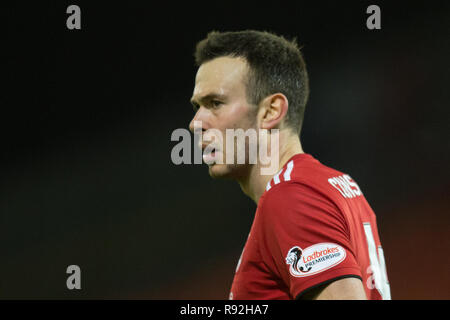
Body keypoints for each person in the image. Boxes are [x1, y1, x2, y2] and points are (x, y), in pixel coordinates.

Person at [188, 30, 390, 300]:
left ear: (271, 111)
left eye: (215, 103)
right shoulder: (332, 184)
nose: (196, 123)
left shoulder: (292, 197)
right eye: (197, 107)